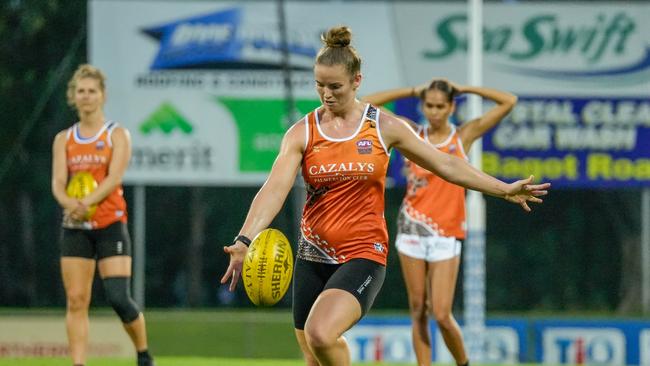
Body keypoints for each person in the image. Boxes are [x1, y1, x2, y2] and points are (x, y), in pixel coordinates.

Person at [220, 26, 548, 366]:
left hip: (363, 254)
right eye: (319, 85)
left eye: (335, 86)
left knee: (320, 333)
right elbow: (275, 187)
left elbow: (446, 163)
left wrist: (502, 188)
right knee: (314, 357)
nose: (326, 94)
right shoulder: (302, 132)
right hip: (312, 256)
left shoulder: (384, 127)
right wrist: (245, 239)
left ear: (357, 81)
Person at [362, 79, 518, 366]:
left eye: (439, 106)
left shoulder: (462, 137)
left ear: (450, 107)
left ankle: (464, 363)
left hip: (446, 233)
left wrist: (467, 89)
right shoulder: (410, 133)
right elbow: (366, 106)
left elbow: (508, 100)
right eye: (428, 105)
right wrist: (410, 90)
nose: (433, 112)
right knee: (418, 309)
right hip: (411, 229)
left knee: (442, 314)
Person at [51, 64, 154, 366]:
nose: (86, 96)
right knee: (76, 299)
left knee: (119, 298)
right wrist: (69, 203)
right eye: (80, 91)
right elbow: (57, 182)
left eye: (91, 91)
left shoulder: (116, 134)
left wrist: (86, 202)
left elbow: (114, 177)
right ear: (73, 96)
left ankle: (143, 353)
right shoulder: (64, 139)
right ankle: (79, 363)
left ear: (102, 96)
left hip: (110, 224)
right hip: (75, 226)